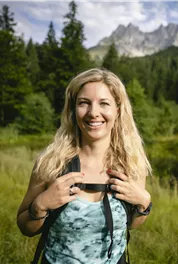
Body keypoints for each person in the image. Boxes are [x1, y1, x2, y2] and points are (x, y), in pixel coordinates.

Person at [17, 68, 152, 264]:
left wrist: (144, 203)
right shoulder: (51, 163)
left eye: (104, 103)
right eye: (84, 103)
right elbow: (25, 227)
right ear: (72, 110)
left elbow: (130, 224)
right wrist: (40, 205)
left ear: (118, 110)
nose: (93, 113)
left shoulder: (131, 164)